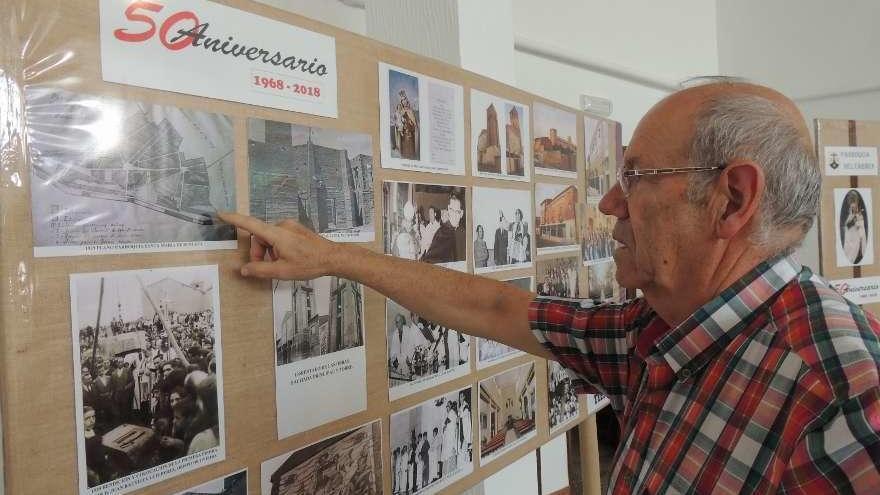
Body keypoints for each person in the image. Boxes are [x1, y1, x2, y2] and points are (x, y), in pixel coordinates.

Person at [219, 80, 880, 493]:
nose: (611, 203)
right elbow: (494, 305)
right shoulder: (658, 334)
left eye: (638, 175)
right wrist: (333, 256)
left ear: (730, 199)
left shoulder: (843, 404)